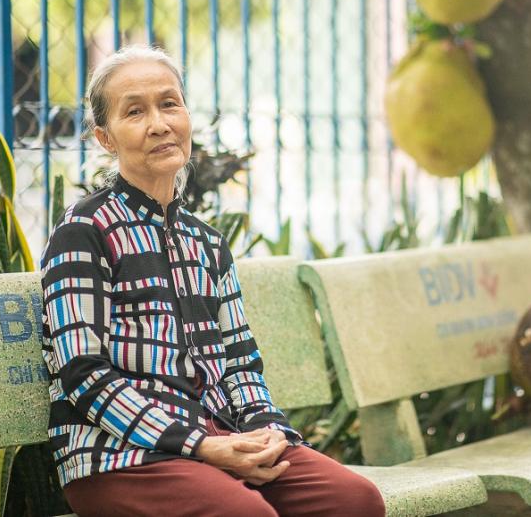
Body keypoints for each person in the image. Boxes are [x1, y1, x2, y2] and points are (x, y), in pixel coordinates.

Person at [40, 45, 385, 517]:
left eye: (170, 104)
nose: (159, 123)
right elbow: (84, 374)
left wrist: (267, 434)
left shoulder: (205, 242)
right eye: (135, 111)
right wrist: (199, 444)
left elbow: (241, 364)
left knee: (353, 500)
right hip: (118, 458)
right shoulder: (84, 231)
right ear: (105, 137)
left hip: (218, 440)